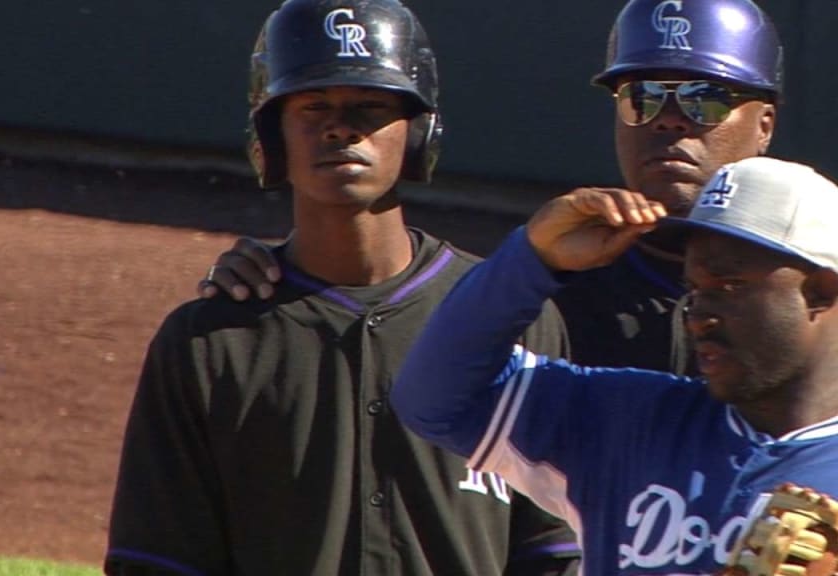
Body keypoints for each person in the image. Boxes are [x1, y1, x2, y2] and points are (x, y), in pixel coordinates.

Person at [103, 0, 578, 574]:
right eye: (313, 105)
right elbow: (159, 560)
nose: (341, 126)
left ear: (420, 131)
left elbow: (552, 549)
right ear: (271, 135)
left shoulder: (511, 316)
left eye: (371, 105)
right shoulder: (209, 342)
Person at [196, 0, 784, 377]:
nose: (670, 119)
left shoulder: (812, 288)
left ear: (765, 125)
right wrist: (279, 282)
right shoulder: (548, 286)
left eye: (704, 98)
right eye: (643, 97)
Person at [390, 156, 838, 575]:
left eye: (728, 284)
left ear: (820, 290)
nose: (700, 313)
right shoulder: (629, 420)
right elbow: (435, 400)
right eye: (695, 288)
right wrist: (531, 259)